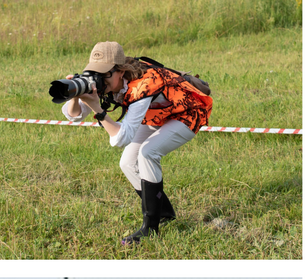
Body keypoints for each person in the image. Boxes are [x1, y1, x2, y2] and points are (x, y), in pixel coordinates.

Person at [62, 41, 213, 245]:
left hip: (187, 112)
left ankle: (150, 228)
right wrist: (75, 96)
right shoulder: (105, 81)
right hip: (157, 114)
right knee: (127, 163)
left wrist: (98, 110)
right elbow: (74, 116)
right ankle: (165, 213)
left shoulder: (143, 84)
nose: (99, 79)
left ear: (121, 71)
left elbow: (121, 138)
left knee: (148, 152)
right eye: (94, 72)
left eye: (105, 73)